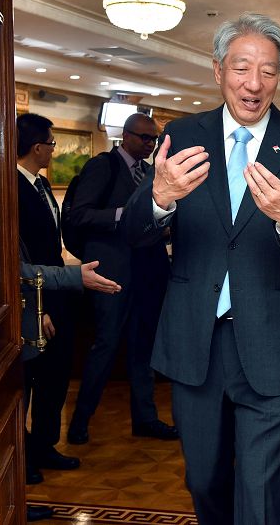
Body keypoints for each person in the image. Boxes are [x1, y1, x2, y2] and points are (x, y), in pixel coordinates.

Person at [120, 13, 280, 525]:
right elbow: (133, 232)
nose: (254, 84)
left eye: (268, 71)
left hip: (273, 342)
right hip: (195, 340)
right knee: (204, 480)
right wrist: (160, 197)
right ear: (218, 70)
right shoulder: (183, 134)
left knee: (262, 492)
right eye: (242, 68)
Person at [67, 113, 177, 445]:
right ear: (125, 136)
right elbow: (80, 214)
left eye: (153, 139)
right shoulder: (103, 166)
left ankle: (146, 419)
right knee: (106, 345)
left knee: (143, 348)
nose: (150, 144)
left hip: (147, 274)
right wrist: (124, 215)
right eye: (144, 138)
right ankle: (79, 422)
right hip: (113, 273)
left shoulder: (150, 172)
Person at [19, 242, 121, 522]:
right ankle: (12, 499)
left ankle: (15, 498)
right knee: (15, 412)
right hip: (15, 327)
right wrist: (74, 277)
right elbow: (13, 271)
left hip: (29, 315)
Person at [15, 113, 81, 479]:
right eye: (52, 144)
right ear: (37, 147)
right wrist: (38, 311)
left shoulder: (41, 184)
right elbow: (21, 257)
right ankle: (23, 456)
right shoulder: (11, 187)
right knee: (29, 380)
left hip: (56, 291)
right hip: (32, 298)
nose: (54, 151)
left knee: (55, 377)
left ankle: (44, 445)